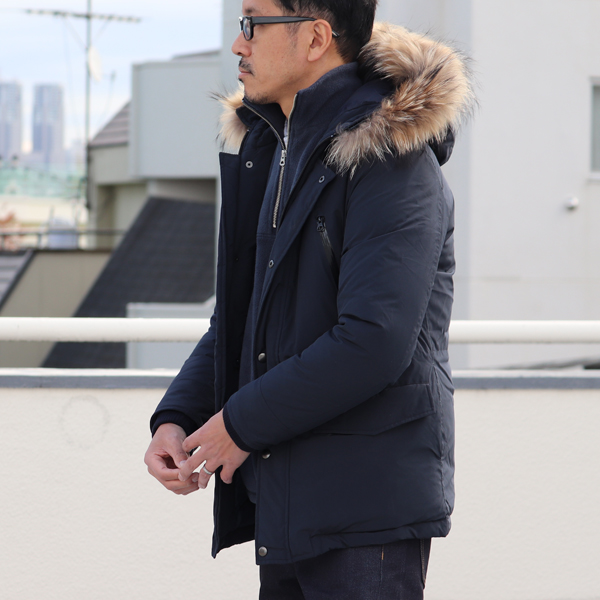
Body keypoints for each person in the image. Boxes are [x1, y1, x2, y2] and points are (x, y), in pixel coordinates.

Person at [144, 0, 473, 597]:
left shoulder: (390, 158)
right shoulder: (280, 148)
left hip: (365, 514)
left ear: (316, 37)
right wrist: (179, 417)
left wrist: (239, 425)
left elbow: (372, 340)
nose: (239, 44)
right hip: (290, 502)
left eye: (253, 24)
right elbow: (243, 317)